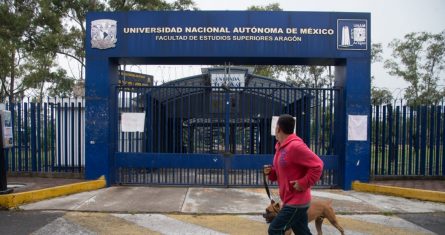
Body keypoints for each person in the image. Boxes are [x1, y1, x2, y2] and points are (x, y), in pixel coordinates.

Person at [264, 114, 323, 235]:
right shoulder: (280, 147)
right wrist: (272, 173)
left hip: (297, 202)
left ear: (278, 128)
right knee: (302, 232)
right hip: (289, 199)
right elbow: (282, 172)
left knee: (275, 229)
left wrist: (303, 183)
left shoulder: (295, 146)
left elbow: (318, 165)